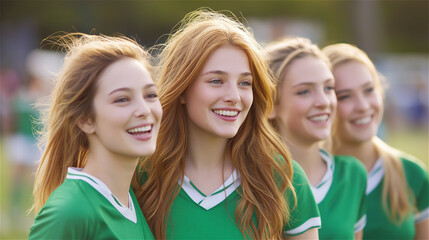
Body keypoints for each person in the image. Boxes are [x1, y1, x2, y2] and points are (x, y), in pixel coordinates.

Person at [134, 10, 321, 240]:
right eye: (216, 81)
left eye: (244, 83)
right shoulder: (142, 176)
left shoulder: (282, 177)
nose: (234, 96)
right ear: (182, 89)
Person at [28, 33, 160, 239]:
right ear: (85, 120)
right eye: (122, 99)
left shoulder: (131, 201)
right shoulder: (69, 212)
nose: (145, 110)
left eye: (151, 95)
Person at [322, 43, 428, 239]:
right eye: (345, 96)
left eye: (369, 90)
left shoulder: (412, 174)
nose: (362, 106)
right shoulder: (309, 179)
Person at [266, 37, 367, 240]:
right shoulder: (254, 178)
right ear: (270, 105)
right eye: (304, 91)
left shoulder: (352, 175)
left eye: (329, 88)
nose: (324, 102)